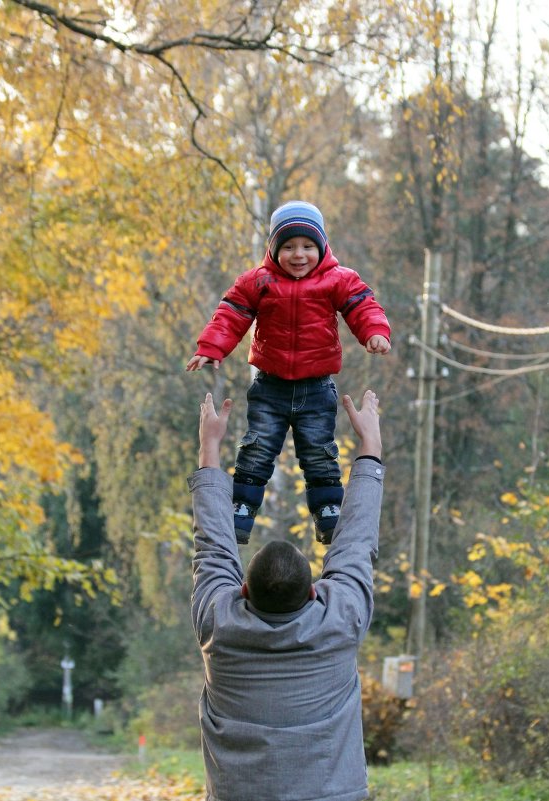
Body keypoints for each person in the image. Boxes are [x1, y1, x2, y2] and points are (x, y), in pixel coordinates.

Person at [188, 389, 385, 801]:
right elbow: (356, 541)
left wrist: (210, 445)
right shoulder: (340, 619)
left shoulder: (218, 624)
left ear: (243, 590)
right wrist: (370, 442)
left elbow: (213, 546)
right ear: (314, 592)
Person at [186, 200, 391, 544]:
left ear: (322, 247)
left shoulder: (337, 280)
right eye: (289, 247)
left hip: (316, 386)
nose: (299, 255)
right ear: (273, 248)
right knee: (257, 447)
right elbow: (231, 314)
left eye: (308, 246)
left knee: (319, 450)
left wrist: (374, 332)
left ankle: (328, 513)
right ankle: (241, 510)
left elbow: (362, 304)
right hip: (270, 386)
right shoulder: (259, 281)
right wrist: (211, 348)